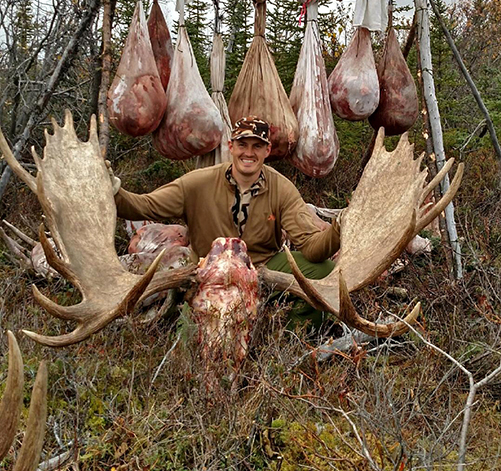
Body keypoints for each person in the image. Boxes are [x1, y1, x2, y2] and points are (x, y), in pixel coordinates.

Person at [111, 116, 341, 330]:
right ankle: (177, 333)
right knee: (188, 335)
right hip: (206, 271)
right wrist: (114, 192)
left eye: (257, 146)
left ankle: (293, 336)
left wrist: (338, 229)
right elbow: (143, 206)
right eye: (242, 145)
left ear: (267, 150)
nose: (248, 153)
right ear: (231, 147)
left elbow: (311, 247)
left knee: (323, 271)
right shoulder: (198, 183)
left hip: (262, 268)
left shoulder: (282, 189)